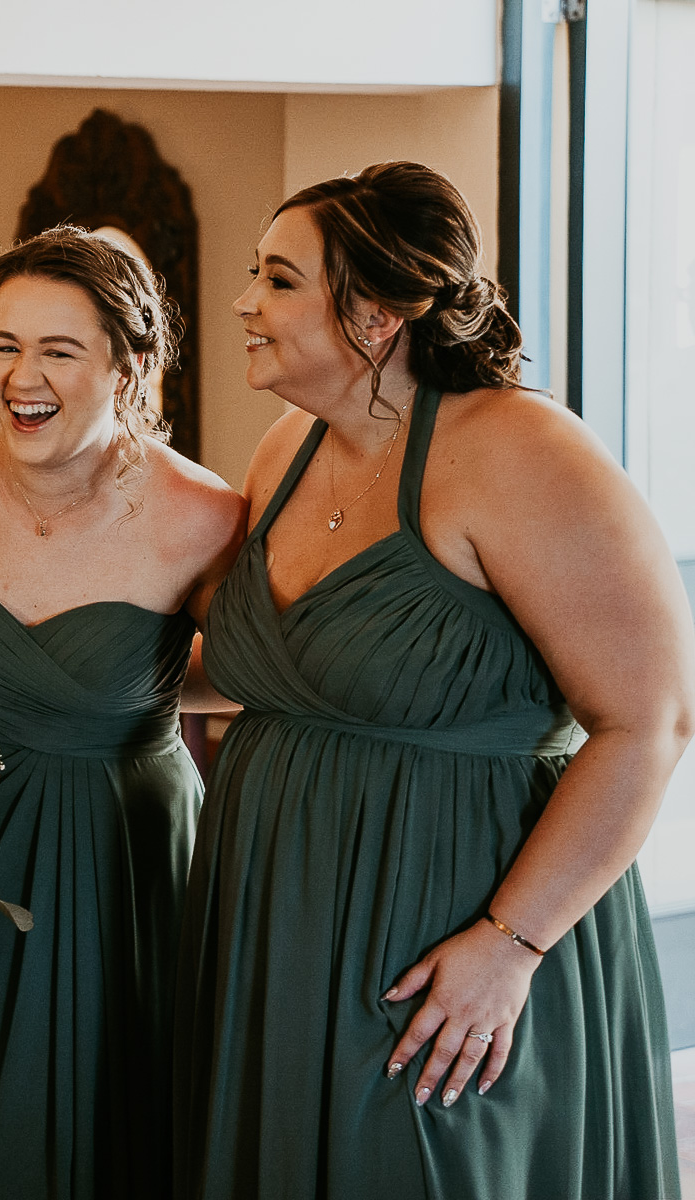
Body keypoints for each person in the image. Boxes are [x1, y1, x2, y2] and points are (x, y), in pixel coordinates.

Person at [173, 161, 691, 1199]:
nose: (243, 304)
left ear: (373, 316)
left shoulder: (524, 453)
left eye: (278, 280)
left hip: (454, 926)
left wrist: (511, 945)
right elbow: (289, 676)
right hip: (278, 926)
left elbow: (650, 722)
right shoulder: (284, 450)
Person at [0, 226, 242, 1199]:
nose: (21, 376)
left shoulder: (203, 517)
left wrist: (132, 687)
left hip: (120, 845)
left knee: (121, 1114)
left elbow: (259, 674)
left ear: (130, 366)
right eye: (2, 345)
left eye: (58, 350)